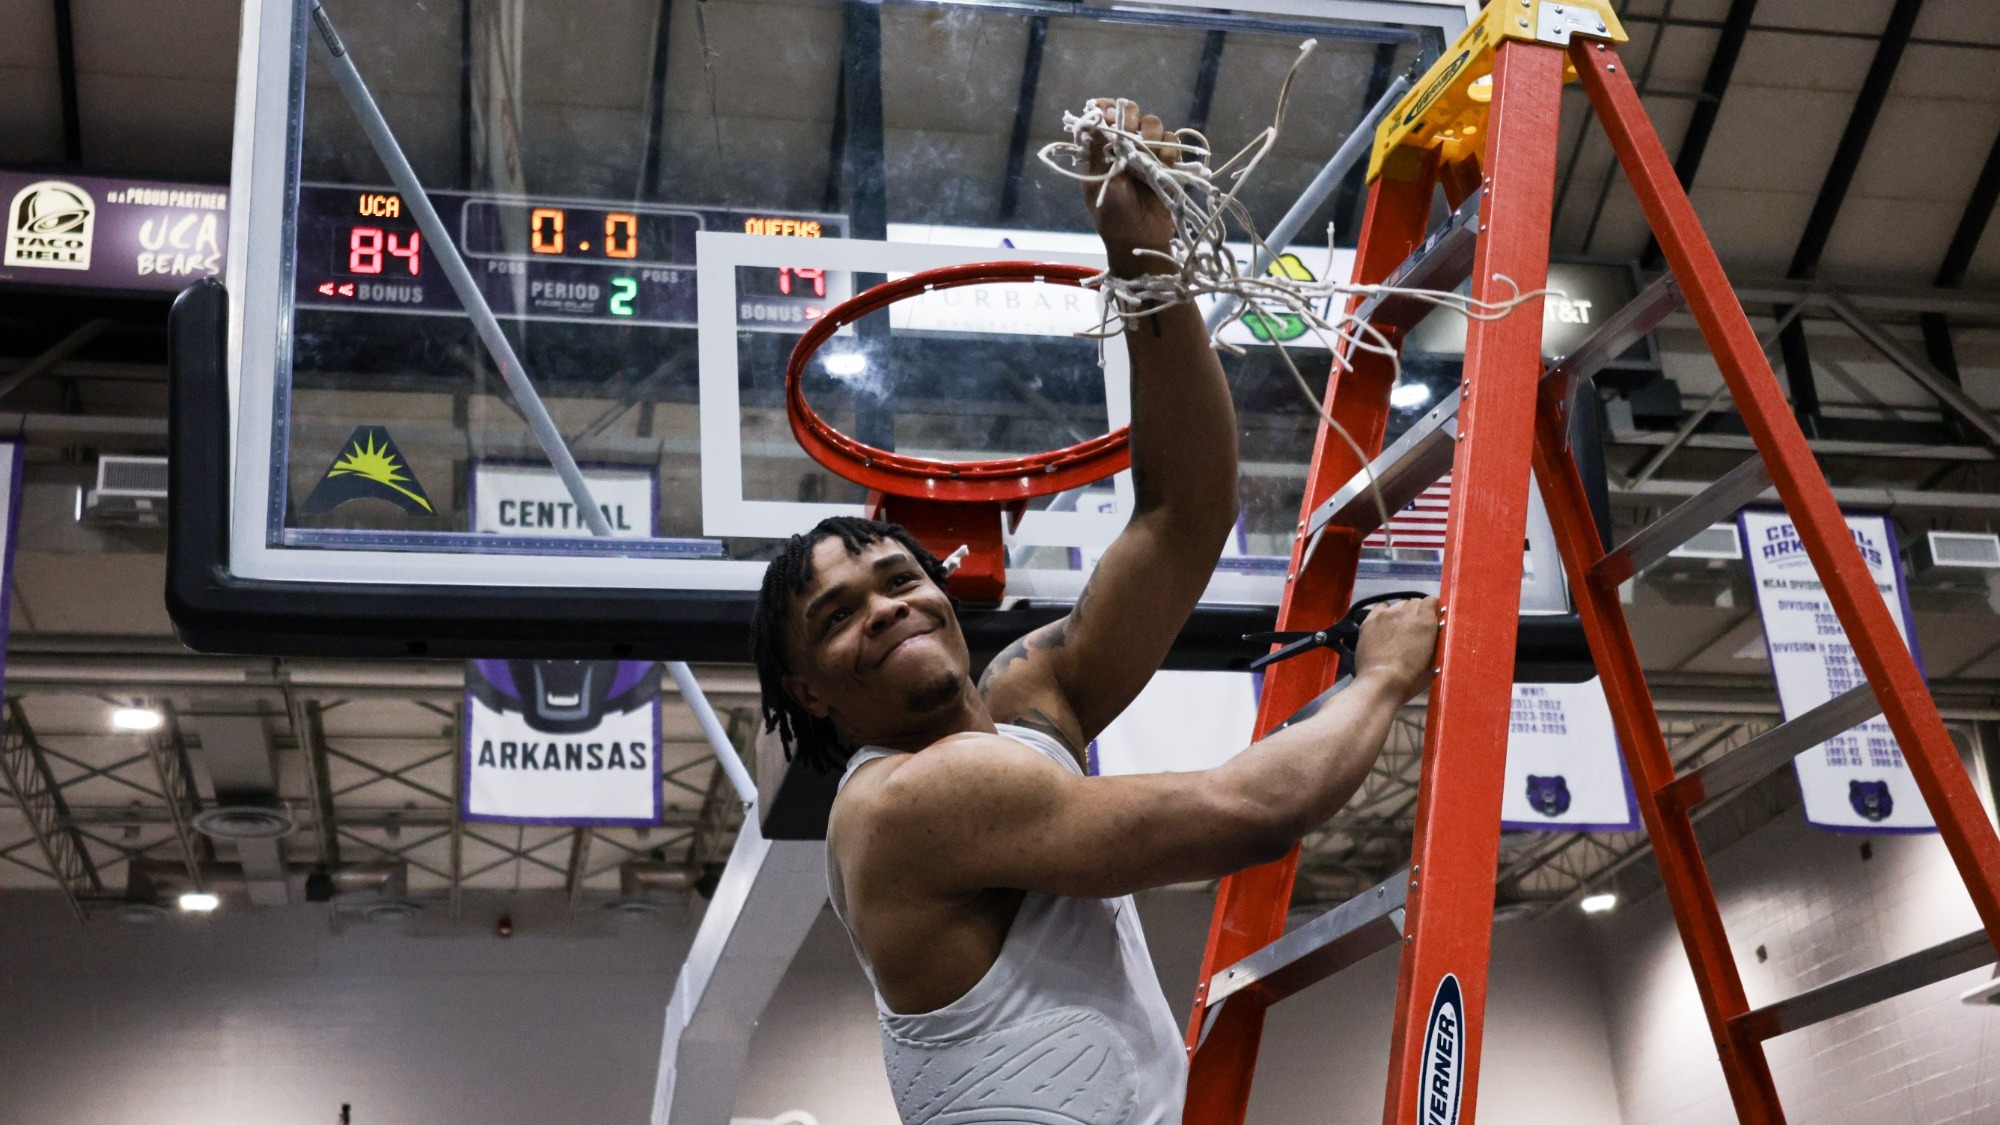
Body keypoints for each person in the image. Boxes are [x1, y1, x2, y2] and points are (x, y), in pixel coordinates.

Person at [751, 100, 1441, 1125]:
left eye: (898, 579)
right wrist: (1381, 676)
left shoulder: (1029, 701)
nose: (889, 609)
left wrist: (1143, 259)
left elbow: (1182, 515)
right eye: (841, 614)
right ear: (807, 688)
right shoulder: (900, 804)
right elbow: (1248, 814)